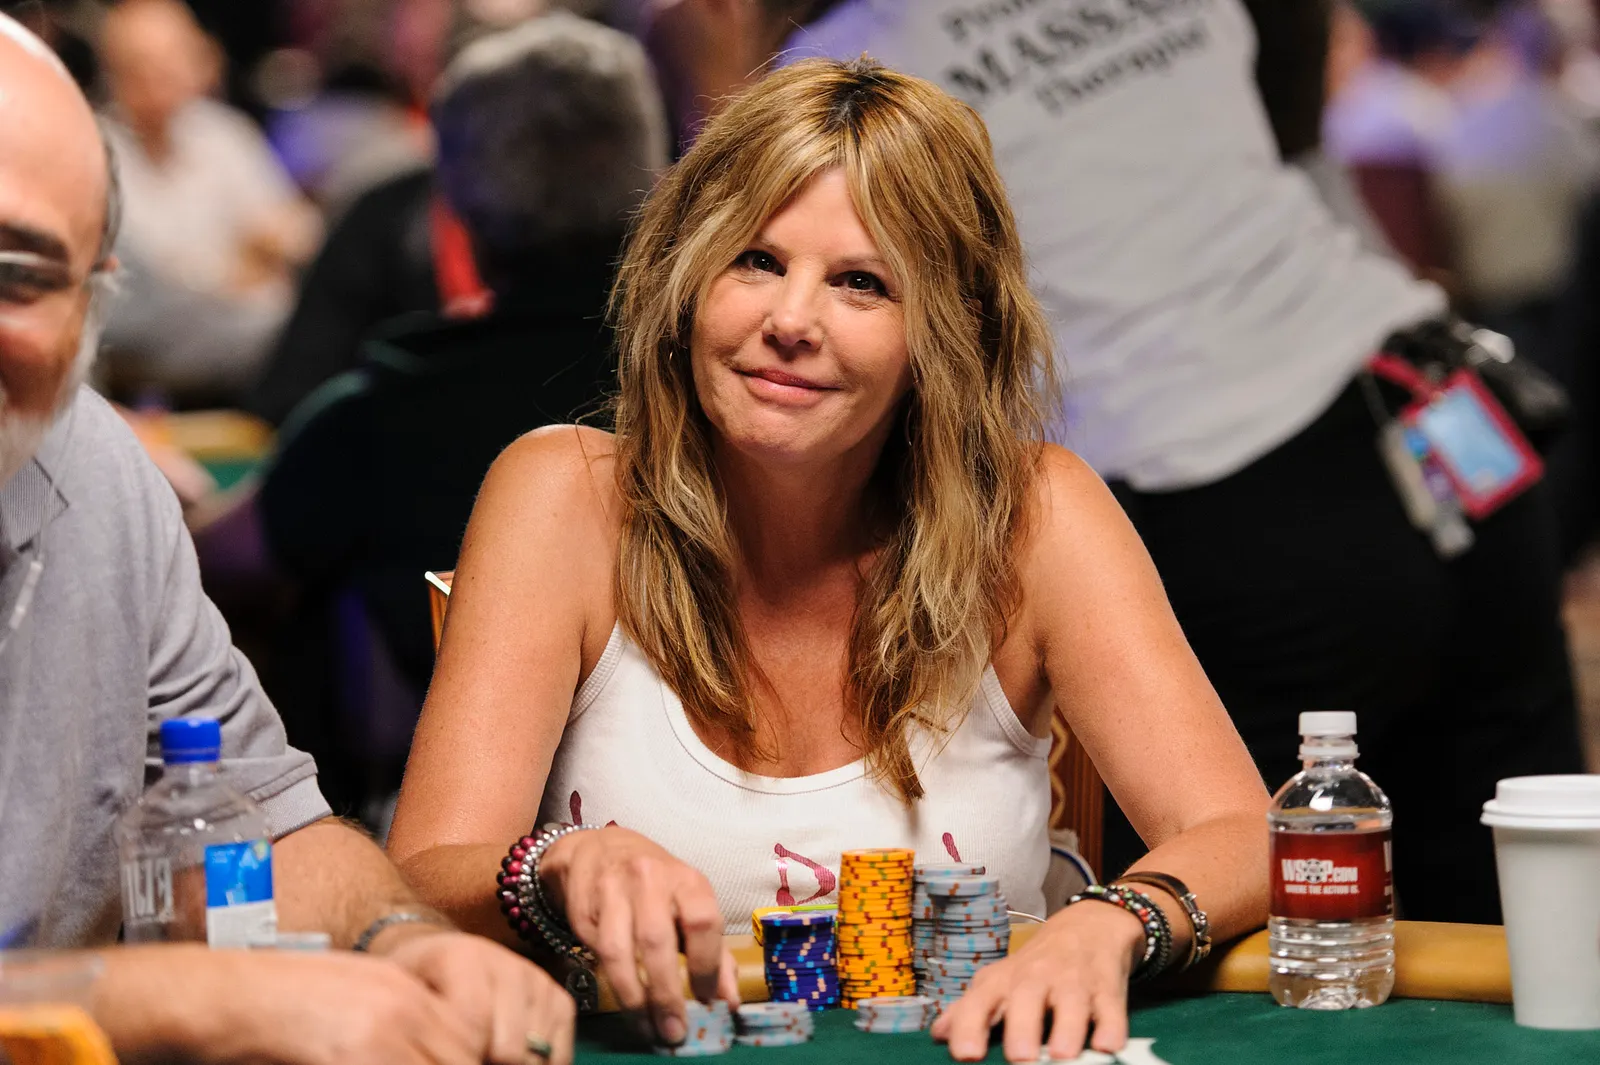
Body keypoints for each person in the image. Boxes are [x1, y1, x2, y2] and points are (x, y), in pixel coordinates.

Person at [386, 58, 1271, 1063]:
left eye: (861, 283)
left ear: (944, 330)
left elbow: (1243, 831)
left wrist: (1109, 924)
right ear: (685, 277)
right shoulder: (564, 495)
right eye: (756, 260)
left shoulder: (1037, 515)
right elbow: (420, 880)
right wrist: (557, 864)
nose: (790, 322)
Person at [677, 0, 1583, 926]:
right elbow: (1296, 108)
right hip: (1436, 412)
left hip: (1259, 502)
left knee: (1272, 918)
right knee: (1523, 904)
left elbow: (730, 227)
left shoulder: (853, 76)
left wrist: (719, 52)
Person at [0, 14, 574, 1065]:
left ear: (95, 302)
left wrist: (398, 941)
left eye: (17, 273)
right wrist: (173, 998)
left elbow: (255, 824)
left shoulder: (100, 474)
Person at [255, 12, 668, 794]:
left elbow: (238, 551)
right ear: (655, 172)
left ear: (461, 207)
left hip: (423, 813)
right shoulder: (708, 380)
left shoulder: (383, 412)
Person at [98, 0, 321, 402]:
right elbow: (140, 298)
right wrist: (237, 268)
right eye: (137, 64)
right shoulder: (95, 152)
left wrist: (260, 255)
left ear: (201, 58)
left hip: (251, 356)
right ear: (111, 72)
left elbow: (297, 236)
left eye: (170, 59)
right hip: (153, 366)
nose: (155, 76)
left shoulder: (225, 134)